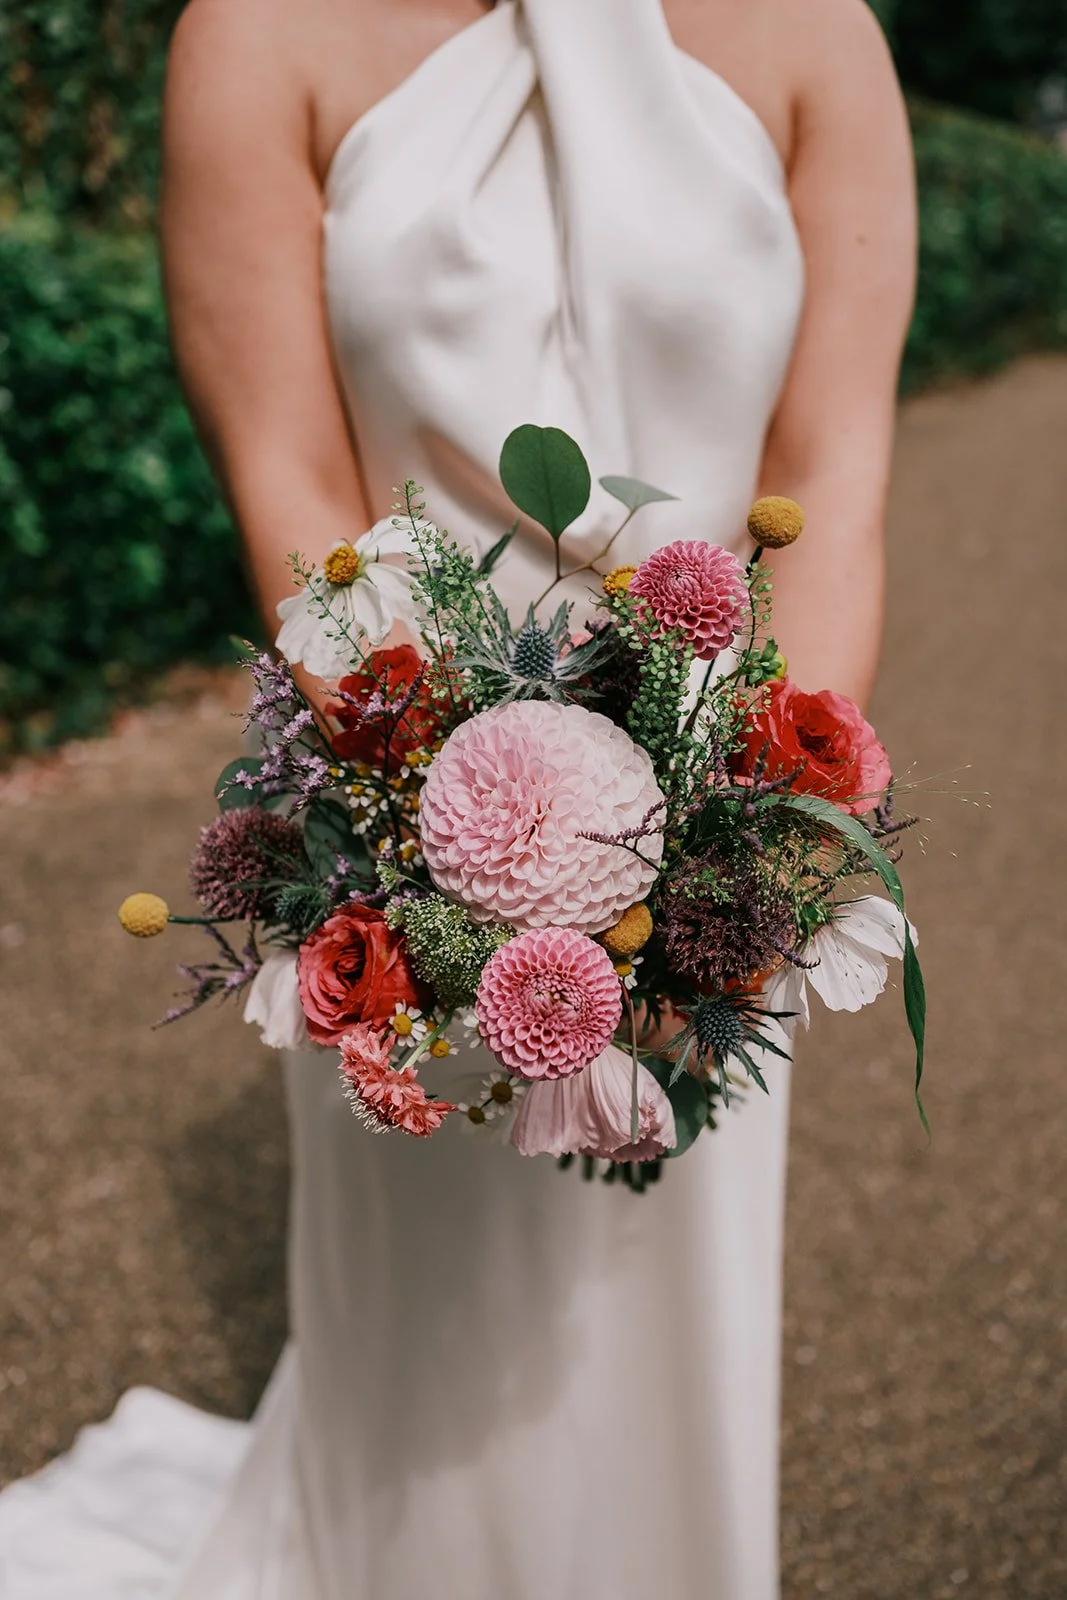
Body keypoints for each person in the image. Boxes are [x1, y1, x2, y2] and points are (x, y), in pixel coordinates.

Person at [0, 0, 915, 1595]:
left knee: (662, 1296)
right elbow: (288, 479)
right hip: (394, 781)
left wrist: (753, 837)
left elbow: (830, 473)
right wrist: (453, 816)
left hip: (708, 801)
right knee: (435, 1321)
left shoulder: (818, 35)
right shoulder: (253, 34)